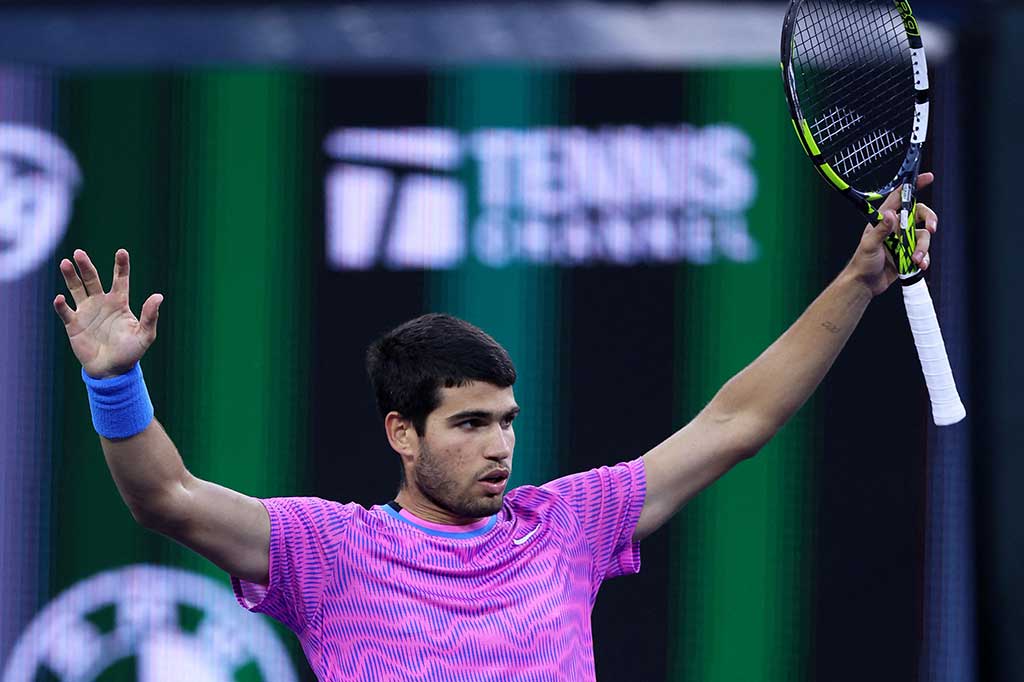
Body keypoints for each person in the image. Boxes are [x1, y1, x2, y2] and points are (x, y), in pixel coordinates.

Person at [53, 176, 939, 681]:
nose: (500, 445)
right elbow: (165, 497)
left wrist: (862, 276)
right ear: (403, 434)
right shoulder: (327, 552)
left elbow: (737, 420)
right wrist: (118, 383)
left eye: (507, 421)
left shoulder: (569, 526)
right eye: (470, 423)